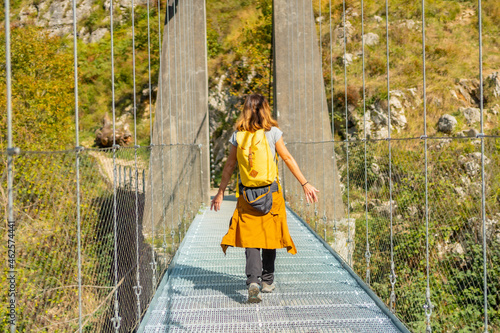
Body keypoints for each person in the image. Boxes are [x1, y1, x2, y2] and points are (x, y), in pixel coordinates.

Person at [210, 93, 319, 303]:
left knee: (251, 239)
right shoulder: (273, 133)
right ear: (266, 110)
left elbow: (230, 165)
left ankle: (253, 281)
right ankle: (267, 281)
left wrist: (221, 192)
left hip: (246, 195)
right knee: (269, 236)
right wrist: (305, 184)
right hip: (271, 193)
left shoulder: (237, 135)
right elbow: (286, 157)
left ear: (245, 110)